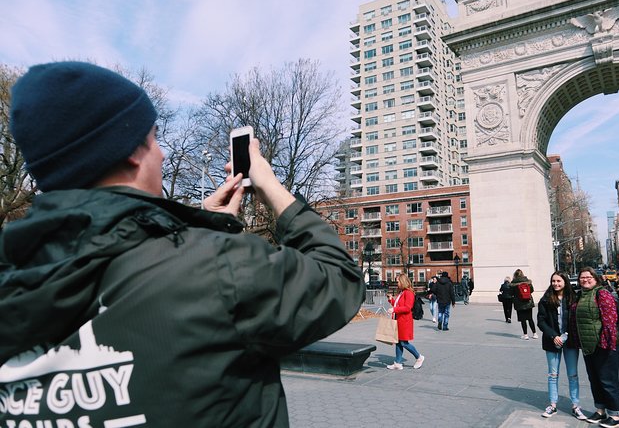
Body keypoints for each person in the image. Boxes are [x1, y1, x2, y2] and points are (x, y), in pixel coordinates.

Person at [0, 62, 365, 427]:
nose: (162, 154)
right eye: (155, 138)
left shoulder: (12, 274)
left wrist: (201, 226)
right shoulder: (217, 268)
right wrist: (268, 183)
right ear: (130, 149)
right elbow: (338, 278)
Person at [571, 267, 619, 428]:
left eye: (588, 277)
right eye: (582, 277)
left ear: (595, 278)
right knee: (594, 378)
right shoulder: (580, 295)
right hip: (588, 345)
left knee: (607, 379)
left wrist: (607, 342)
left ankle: (614, 416)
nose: (585, 280)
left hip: (604, 344)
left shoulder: (602, 294)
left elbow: (609, 321)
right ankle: (600, 411)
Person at [537, 272, 587, 420]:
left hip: (570, 341)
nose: (556, 284)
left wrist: (565, 336)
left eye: (559, 281)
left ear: (565, 281)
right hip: (552, 341)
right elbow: (541, 321)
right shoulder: (545, 299)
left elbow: (578, 319)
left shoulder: (573, 298)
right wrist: (554, 336)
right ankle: (553, 405)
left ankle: (575, 406)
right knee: (553, 375)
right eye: (553, 281)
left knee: (573, 375)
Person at [386, 273, 425, 370]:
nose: (397, 283)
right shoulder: (402, 292)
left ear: (403, 281)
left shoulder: (408, 293)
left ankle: (419, 357)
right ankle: (398, 363)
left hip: (404, 321)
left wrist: (394, 310)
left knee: (403, 343)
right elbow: (399, 305)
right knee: (398, 342)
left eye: (398, 281)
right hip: (400, 320)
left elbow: (407, 308)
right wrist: (391, 300)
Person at [510, 269, 538, 339]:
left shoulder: (513, 284)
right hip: (528, 302)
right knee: (530, 319)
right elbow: (532, 290)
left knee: (523, 320)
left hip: (519, 304)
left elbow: (511, 293)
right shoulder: (527, 282)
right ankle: (534, 334)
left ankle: (525, 335)